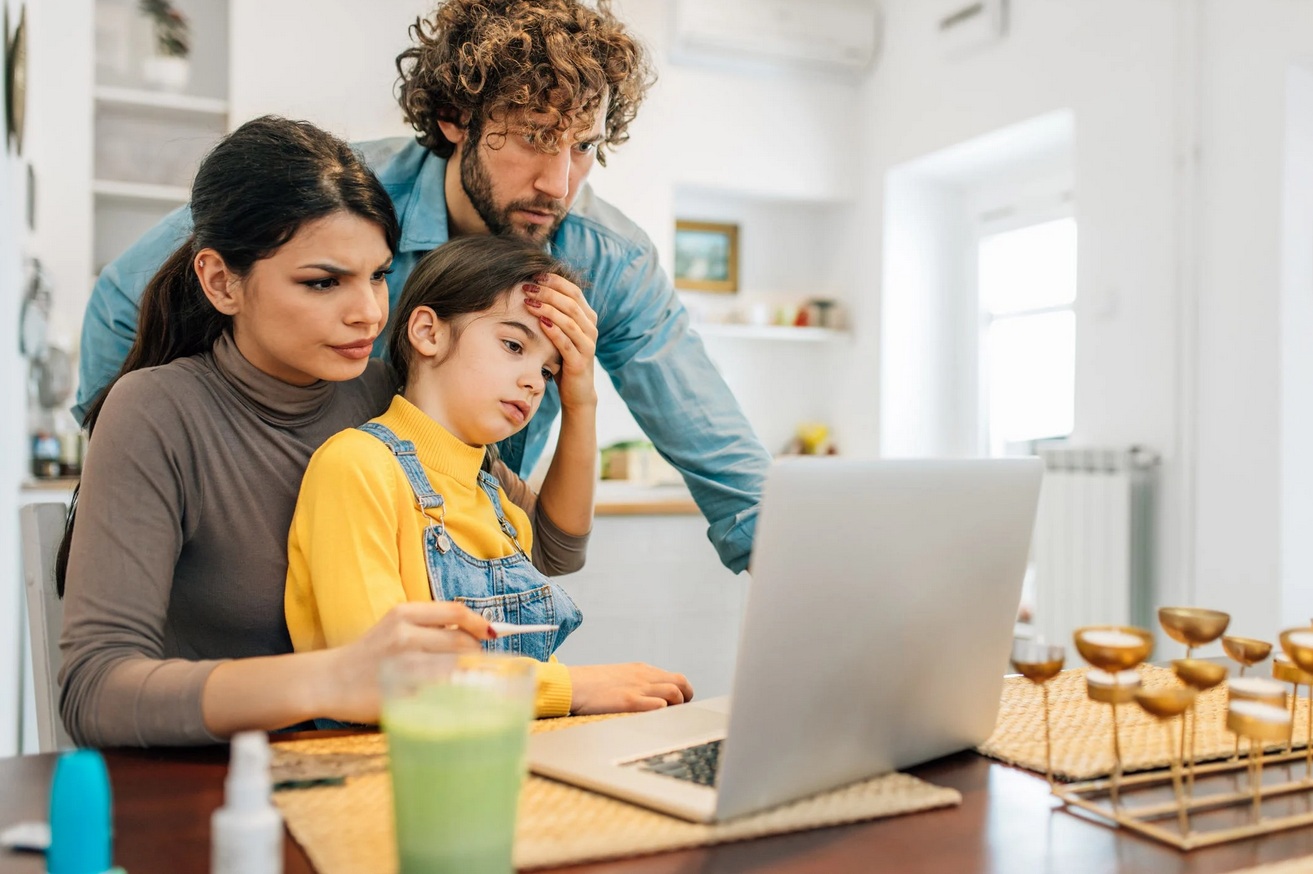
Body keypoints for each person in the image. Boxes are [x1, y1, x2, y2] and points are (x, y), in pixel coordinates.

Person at [74, 0, 772, 574]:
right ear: (454, 119)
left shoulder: (609, 260)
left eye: (583, 146)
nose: (559, 183)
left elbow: (726, 471)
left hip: (463, 574)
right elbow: (120, 301)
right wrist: (142, 474)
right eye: (532, 137)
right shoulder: (339, 199)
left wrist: (808, 582)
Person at [58, 116, 689, 748]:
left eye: (379, 276)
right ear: (223, 281)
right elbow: (95, 690)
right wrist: (336, 678)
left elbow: (551, 550)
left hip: (382, 758)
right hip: (218, 783)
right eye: (324, 282)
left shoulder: (385, 392)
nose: (368, 313)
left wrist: (579, 399)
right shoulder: (155, 412)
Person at [286, 235, 690, 717]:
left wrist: (581, 394)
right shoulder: (357, 466)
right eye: (513, 345)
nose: (532, 382)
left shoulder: (499, 506)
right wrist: (573, 688)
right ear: (428, 332)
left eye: (548, 371)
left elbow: (563, 549)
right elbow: (382, 677)